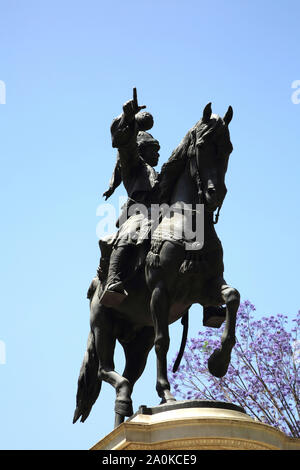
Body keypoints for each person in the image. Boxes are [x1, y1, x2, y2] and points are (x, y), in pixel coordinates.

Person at [98, 91, 161, 307]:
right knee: (131, 231)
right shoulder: (133, 166)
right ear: (141, 150)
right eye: (154, 150)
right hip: (138, 212)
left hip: (162, 214)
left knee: (194, 232)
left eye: (159, 150)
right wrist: (128, 119)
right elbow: (124, 144)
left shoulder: (159, 175)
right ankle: (113, 280)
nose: (159, 155)